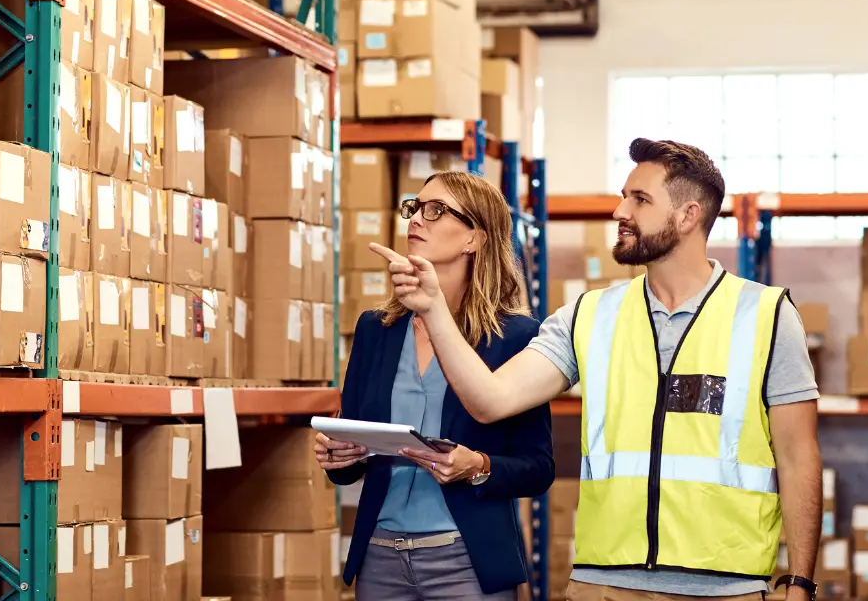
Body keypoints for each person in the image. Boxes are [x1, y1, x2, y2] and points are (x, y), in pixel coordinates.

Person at [370, 139, 822, 601]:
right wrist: (433, 309)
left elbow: (798, 457)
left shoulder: (766, 316)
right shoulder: (588, 316)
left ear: (688, 215)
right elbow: (489, 401)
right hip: (604, 583)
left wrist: (800, 580)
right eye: (624, 195)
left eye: (639, 199)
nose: (619, 211)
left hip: (727, 586)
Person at [315, 170, 555, 600]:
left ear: (474, 239)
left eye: (436, 210)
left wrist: (477, 465)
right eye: (414, 208)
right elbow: (354, 455)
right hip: (380, 557)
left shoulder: (516, 337)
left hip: (467, 562)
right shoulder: (377, 329)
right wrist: (339, 455)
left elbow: (537, 467)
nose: (416, 220)